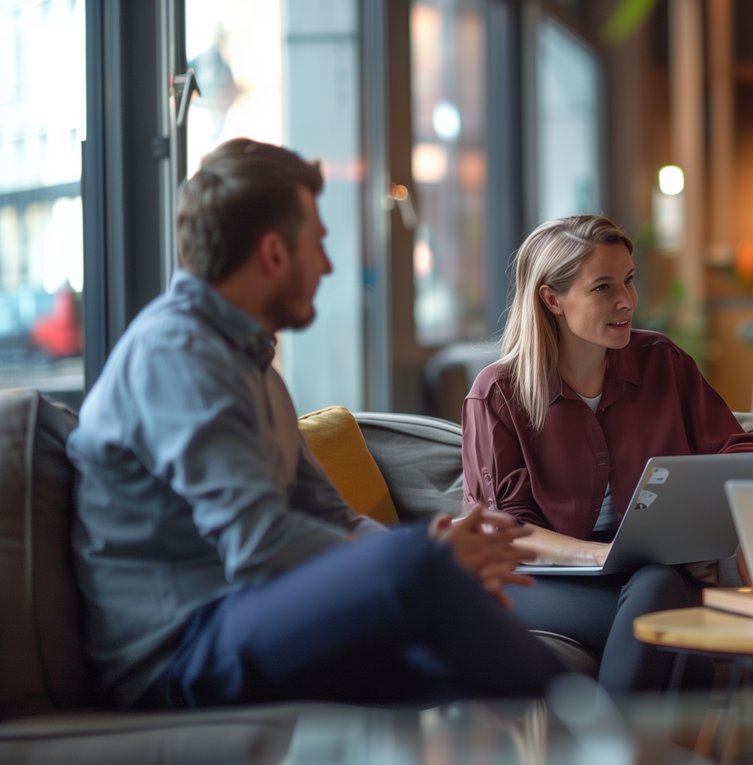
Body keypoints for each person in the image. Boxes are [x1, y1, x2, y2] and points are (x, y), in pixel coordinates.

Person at [67, 138, 564, 709]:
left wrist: (436, 545)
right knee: (418, 568)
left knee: (447, 680)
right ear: (274, 253)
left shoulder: (248, 362)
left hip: (248, 614)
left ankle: (570, 728)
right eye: (319, 245)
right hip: (178, 650)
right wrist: (425, 560)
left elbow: (329, 516)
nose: (328, 266)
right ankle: (603, 732)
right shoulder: (176, 354)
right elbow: (260, 543)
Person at [460, 214, 753, 696]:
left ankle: (611, 745)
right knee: (665, 612)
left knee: (657, 586)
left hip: (649, 578)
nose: (627, 301)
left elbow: (736, 446)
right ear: (552, 298)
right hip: (539, 584)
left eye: (630, 281)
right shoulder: (498, 394)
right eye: (603, 288)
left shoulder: (663, 363)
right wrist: (605, 555)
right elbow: (507, 532)